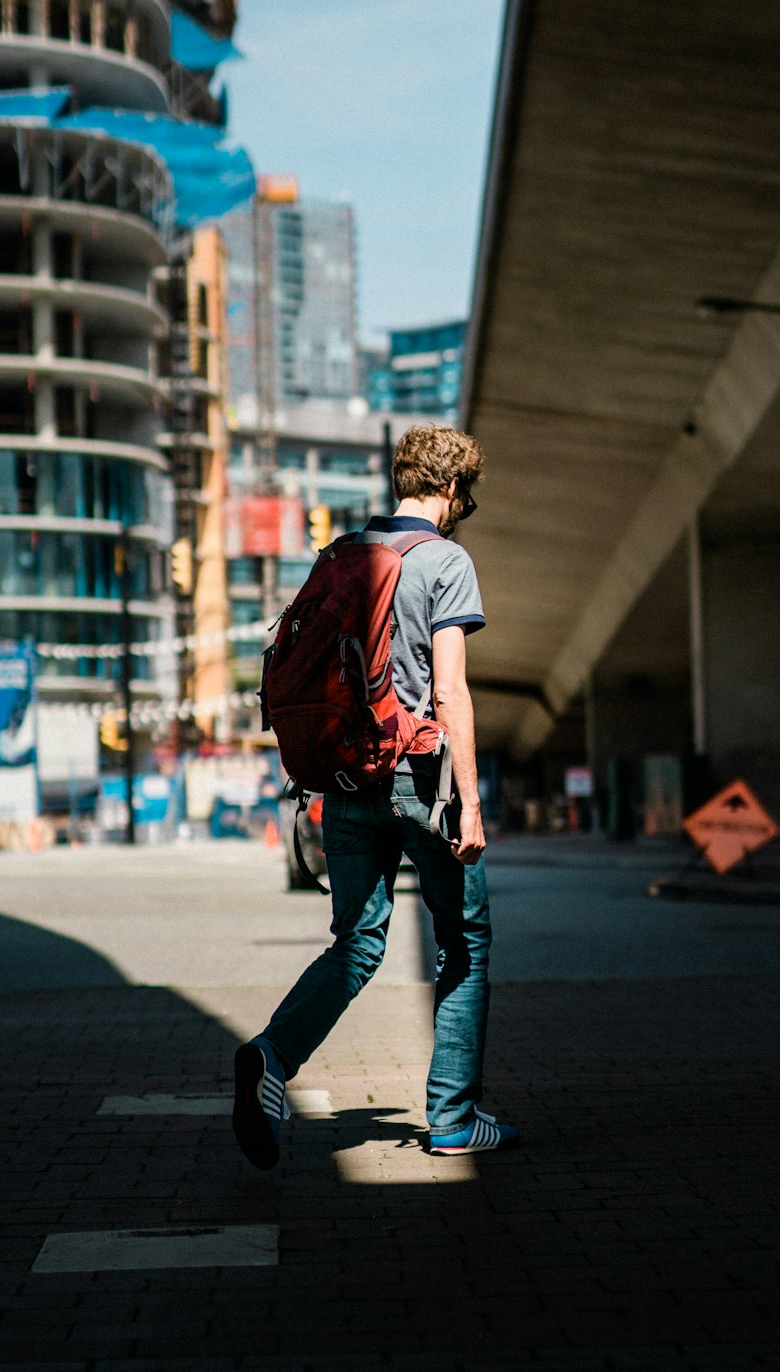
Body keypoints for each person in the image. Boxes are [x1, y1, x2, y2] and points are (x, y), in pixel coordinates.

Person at [233, 426, 519, 1168]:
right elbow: (450, 691)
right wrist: (472, 805)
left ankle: (271, 1056)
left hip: (344, 775)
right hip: (419, 774)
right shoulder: (446, 560)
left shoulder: (343, 556)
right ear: (452, 490)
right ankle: (454, 1118)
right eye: (467, 495)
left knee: (356, 944)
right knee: (464, 943)